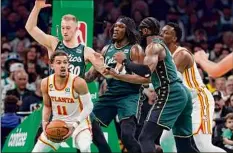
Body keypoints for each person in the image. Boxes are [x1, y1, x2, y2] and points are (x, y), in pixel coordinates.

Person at [25, 1, 110, 152]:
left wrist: (105, 64)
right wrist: (37, 7)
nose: (65, 31)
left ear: (77, 29)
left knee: (101, 145)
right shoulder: (54, 44)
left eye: (68, 28)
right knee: (37, 144)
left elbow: (105, 72)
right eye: (63, 27)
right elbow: (30, 28)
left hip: (79, 105)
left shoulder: (86, 51)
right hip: (58, 104)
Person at [104, 17, 199, 152]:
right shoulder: (159, 45)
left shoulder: (153, 46)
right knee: (184, 145)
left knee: (145, 138)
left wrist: (125, 61)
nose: (138, 34)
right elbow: (146, 79)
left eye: (140, 31)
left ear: (146, 30)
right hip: (182, 93)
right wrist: (119, 75)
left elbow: (146, 73)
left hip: (170, 92)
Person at [160, 22, 226, 152]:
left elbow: (170, 80)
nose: (161, 35)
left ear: (175, 38)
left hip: (199, 101)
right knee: (165, 142)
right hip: (182, 104)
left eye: (166, 33)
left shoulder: (182, 54)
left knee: (204, 146)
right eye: (161, 32)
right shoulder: (163, 56)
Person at [86, 16, 144, 153]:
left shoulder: (135, 49)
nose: (116, 28)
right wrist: (73, 73)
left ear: (128, 31)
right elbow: (90, 76)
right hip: (110, 95)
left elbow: (143, 78)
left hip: (129, 95)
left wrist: (118, 75)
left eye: (121, 27)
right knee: (87, 124)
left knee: (127, 137)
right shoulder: (106, 50)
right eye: (115, 26)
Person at [32, 51, 93, 152]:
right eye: (59, 63)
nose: (63, 65)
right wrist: (45, 124)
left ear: (68, 64)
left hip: (79, 122)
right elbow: (47, 106)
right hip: (57, 122)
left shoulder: (78, 82)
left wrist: (74, 126)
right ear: (52, 65)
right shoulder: (45, 83)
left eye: (65, 62)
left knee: (85, 148)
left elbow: (89, 106)